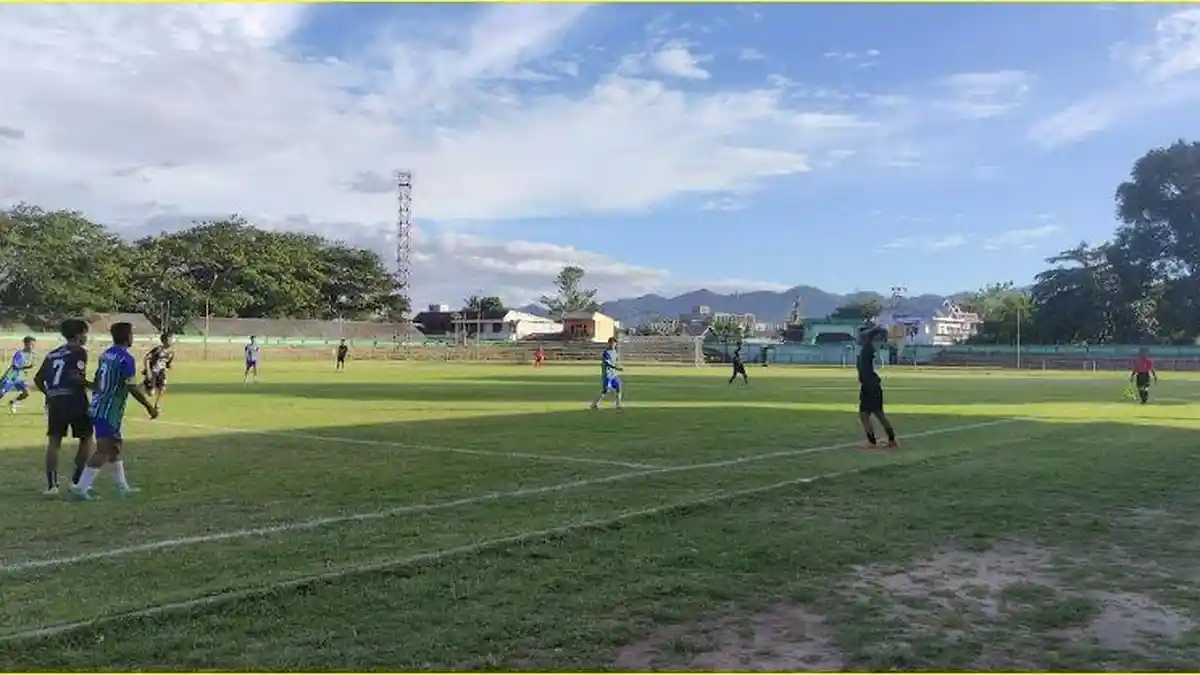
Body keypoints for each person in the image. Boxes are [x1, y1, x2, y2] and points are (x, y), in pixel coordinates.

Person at [69, 322, 159, 501]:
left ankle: (122, 487)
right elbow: (131, 386)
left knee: (114, 447)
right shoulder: (126, 359)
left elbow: (97, 380)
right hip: (108, 410)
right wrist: (149, 406)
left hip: (99, 405)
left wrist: (90, 385)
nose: (133, 337)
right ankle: (81, 487)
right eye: (132, 334)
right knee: (103, 449)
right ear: (127, 337)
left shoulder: (106, 355)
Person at [35, 319, 93, 495]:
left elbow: (38, 379)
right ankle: (76, 481)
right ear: (78, 335)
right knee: (86, 438)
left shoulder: (52, 354)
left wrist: (49, 393)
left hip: (56, 400)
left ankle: (52, 485)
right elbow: (75, 376)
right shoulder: (79, 351)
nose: (86, 337)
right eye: (85, 333)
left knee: (54, 441)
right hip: (74, 398)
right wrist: (93, 386)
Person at [857, 326, 898, 450]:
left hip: (869, 385)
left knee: (866, 415)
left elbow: (871, 334)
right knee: (876, 414)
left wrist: (876, 330)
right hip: (871, 384)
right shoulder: (867, 348)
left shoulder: (867, 348)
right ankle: (890, 440)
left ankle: (873, 442)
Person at [1, 336, 36, 413]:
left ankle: (12, 402)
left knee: (26, 393)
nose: (33, 346)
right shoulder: (20, 353)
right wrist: (27, 367)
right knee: (1, 393)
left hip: (20, 378)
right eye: (31, 344)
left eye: (33, 345)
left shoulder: (31, 355)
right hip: (11, 376)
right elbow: (15, 366)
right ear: (26, 344)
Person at [589, 337, 624, 410]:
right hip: (607, 375)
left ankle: (618, 405)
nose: (613, 345)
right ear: (609, 343)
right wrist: (617, 368)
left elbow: (615, 361)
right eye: (612, 343)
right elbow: (607, 364)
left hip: (614, 374)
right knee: (605, 390)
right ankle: (593, 405)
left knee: (619, 386)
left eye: (614, 343)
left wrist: (617, 366)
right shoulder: (606, 353)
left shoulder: (615, 351)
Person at [141, 333, 175, 409]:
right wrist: (147, 371)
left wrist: (169, 366)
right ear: (164, 340)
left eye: (172, 339)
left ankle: (157, 405)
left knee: (163, 389)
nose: (172, 341)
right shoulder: (157, 350)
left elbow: (168, 363)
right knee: (151, 394)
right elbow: (146, 359)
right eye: (170, 339)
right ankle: (143, 385)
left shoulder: (171, 352)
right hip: (153, 372)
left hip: (161, 373)